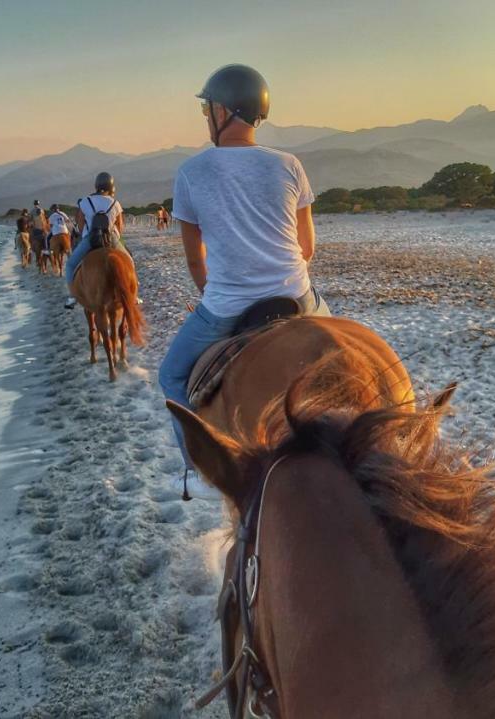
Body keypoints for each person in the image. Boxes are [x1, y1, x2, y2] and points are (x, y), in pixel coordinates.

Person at [157, 64, 328, 497]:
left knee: (172, 378)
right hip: (298, 296)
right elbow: (307, 248)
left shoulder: (192, 172)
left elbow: (196, 260)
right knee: (360, 358)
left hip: (227, 305)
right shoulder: (290, 164)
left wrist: (215, 290)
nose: (205, 117)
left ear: (223, 110)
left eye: (206, 109)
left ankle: (198, 470)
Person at [63, 172, 129, 307]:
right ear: (111, 186)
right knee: (129, 262)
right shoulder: (115, 203)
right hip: (111, 239)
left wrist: (86, 235)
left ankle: (73, 296)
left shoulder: (85, 201)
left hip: (90, 239)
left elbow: (80, 224)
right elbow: (120, 227)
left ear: (96, 185)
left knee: (70, 265)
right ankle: (133, 295)